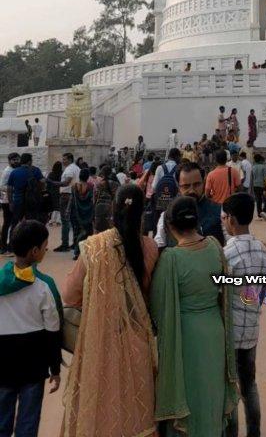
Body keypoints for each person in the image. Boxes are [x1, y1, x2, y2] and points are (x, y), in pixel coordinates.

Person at [62, 184, 158, 437]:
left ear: (112, 213)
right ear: (142, 215)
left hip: (100, 343)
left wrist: (101, 305)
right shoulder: (151, 248)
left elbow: (70, 297)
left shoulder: (93, 249)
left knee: (102, 407)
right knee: (136, 410)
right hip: (139, 341)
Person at [151, 196, 238, 436]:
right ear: (197, 220)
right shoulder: (214, 247)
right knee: (211, 393)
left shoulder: (170, 259)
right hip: (214, 330)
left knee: (189, 395)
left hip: (186, 336)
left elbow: (158, 307)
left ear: (169, 226)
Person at [0, 220, 62, 437]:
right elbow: (53, 332)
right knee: (28, 424)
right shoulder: (45, 286)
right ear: (35, 251)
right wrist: (55, 369)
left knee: (1, 422)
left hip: (3, 366)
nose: (46, 249)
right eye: (45, 246)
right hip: (33, 369)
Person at [223, 193, 266, 437]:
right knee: (249, 384)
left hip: (230, 331)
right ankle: (254, 432)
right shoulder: (263, 252)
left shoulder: (226, 254)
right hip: (251, 327)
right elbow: (260, 293)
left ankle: (231, 432)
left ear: (231, 219)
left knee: (230, 387)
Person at [155, 162, 225, 248]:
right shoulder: (166, 216)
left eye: (196, 185)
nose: (192, 190)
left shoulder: (220, 211)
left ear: (203, 183)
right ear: (178, 187)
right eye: (186, 186)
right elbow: (159, 245)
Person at [7, 152, 44, 228]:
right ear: (29, 161)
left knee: (15, 224)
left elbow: (9, 189)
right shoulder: (36, 170)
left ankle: (14, 238)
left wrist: (10, 202)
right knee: (32, 224)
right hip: (32, 202)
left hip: (18, 201)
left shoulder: (14, 172)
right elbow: (42, 183)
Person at [54, 152, 80, 252]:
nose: (63, 161)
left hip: (66, 195)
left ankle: (65, 244)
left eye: (64, 159)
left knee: (65, 220)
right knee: (73, 220)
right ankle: (74, 242)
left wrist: (53, 183)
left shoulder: (69, 169)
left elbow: (67, 182)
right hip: (74, 194)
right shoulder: (77, 168)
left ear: (69, 159)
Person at [71, 167, 94, 259]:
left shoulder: (74, 186)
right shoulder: (90, 186)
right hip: (88, 211)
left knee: (77, 231)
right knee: (88, 232)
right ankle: (86, 251)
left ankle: (77, 253)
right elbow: (92, 199)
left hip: (76, 211)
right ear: (87, 176)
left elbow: (72, 199)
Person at [0, 153, 20, 253]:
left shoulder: (15, 170)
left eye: (17, 160)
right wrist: (14, 190)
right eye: (14, 160)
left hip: (12, 200)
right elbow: (2, 186)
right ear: (9, 161)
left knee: (13, 224)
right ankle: (4, 246)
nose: (16, 162)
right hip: (7, 201)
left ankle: (8, 245)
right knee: (7, 224)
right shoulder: (7, 172)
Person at [93, 164, 120, 233]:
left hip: (99, 206)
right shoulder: (115, 184)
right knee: (109, 228)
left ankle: (98, 243)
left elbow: (95, 196)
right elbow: (117, 196)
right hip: (110, 206)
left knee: (98, 228)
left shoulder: (99, 184)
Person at [251, 155, 266, 220]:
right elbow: (265, 178)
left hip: (255, 185)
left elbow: (252, 177)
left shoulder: (253, 167)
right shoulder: (264, 167)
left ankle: (259, 215)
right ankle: (263, 211)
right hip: (262, 185)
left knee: (258, 200)